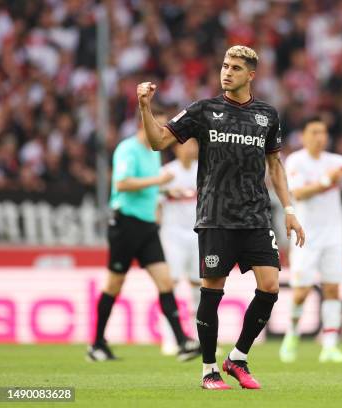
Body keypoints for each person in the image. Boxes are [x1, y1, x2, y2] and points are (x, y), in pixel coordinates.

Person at [136, 45, 305, 390]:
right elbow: (157, 142)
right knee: (212, 291)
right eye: (225, 66)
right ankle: (209, 370)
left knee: (270, 287)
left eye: (236, 68)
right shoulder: (203, 110)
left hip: (256, 215)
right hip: (216, 216)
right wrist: (144, 106)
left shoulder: (267, 115)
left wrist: (289, 209)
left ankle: (237, 358)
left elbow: (274, 164)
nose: (227, 72)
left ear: (251, 75)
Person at [87, 107, 201, 363]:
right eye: (157, 126)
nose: (160, 132)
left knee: (165, 282)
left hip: (148, 226)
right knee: (113, 285)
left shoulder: (153, 152)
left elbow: (153, 189)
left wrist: (168, 193)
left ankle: (182, 342)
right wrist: (157, 182)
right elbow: (122, 184)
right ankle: (96, 344)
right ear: (143, 125)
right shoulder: (128, 149)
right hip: (126, 223)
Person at [279, 117, 342, 363]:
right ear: (303, 136)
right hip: (305, 236)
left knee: (332, 288)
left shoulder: (336, 161)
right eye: (314, 132)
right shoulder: (296, 160)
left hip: (333, 234)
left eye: (322, 132)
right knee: (301, 292)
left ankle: (330, 346)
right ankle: (292, 334)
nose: (319, 137)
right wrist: (326, 181)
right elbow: (298, 192)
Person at [158, 139, 200, 356]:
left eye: (194, 145)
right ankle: (170, 338)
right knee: (170, 285)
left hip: (197, 235)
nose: (191, 149)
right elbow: (155, 201)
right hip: (172, 236)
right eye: (187, 145)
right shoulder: (166, 172)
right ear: (176, 148)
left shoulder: (202, 171)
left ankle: (200, 337)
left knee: (198, 287)